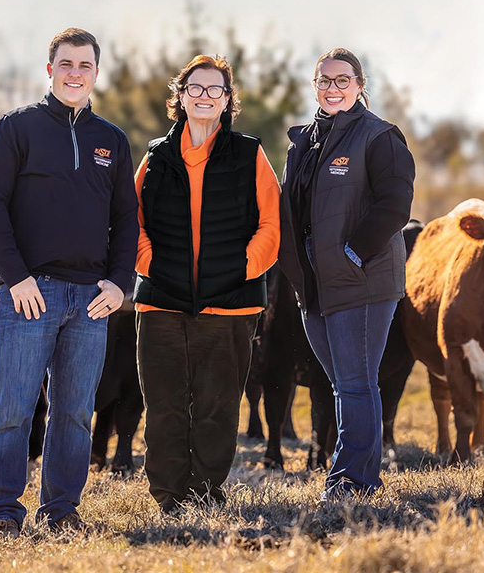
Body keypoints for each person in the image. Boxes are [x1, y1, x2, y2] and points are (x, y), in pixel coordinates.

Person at [0, 28, 138, 537]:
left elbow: (127, 219)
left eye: (84, 65)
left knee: (74, 413)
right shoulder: (16, 128)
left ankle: (62, 509)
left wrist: (118, 284)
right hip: (29, 294)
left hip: (90, 299)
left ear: (95, 72)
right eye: (66, 64)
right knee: (14, 409)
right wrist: (16, 277)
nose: (74, 73)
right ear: (50, 70)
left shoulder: (111, 140)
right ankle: (2, 509)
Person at [133, 55, 280, 513]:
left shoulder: (250, 153)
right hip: (161, 304)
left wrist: (241, 268)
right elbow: (131, 220)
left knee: (218, 407)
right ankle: (168, 496)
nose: (204, 96)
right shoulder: (156, 155)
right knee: (164, 407)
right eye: (195, 87)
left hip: (230, 306)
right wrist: (150, 264)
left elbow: (271, 226)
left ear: (227, 101)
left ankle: (205, 492)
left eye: (214, 89)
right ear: (180, 95)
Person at [278, 47, 415, 500]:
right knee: (344, 385)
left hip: (363, 280)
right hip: (315, 284)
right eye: (324, 80)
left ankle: (350, 481)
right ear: (314, 86)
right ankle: (361, 476)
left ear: (360, 86)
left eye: (342, 80)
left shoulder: (379, 137)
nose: (332, 88)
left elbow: (395, 204)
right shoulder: (303, 143)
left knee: (356, 383)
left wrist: (355, 254)